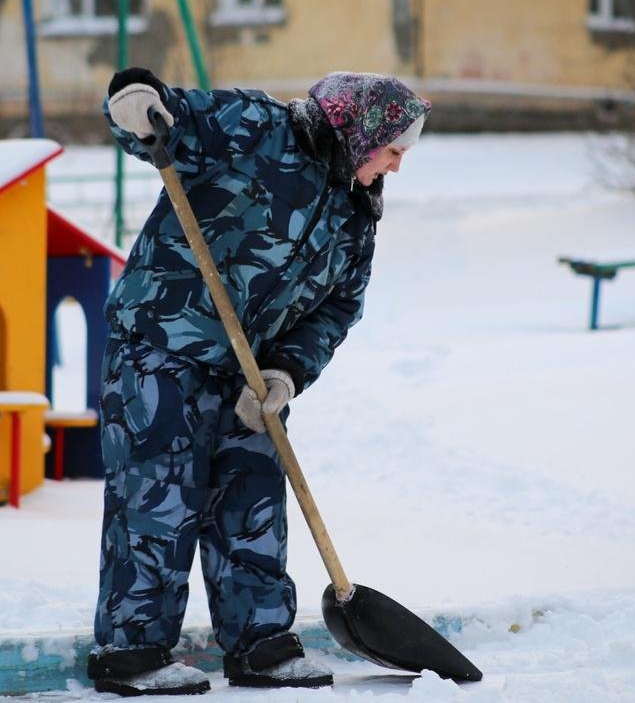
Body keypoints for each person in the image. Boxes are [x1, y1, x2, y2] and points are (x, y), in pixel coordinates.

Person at [87, 67, 430, 696]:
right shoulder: (259, 129)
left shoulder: (355, 216)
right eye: (393, 151)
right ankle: (131, 653)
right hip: (161, 349)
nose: (396, 168)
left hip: (248, 376)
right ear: (363, 134)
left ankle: (261, 646)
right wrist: (137, 104)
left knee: (254, 505)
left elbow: (336, 308)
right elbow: (170, 124)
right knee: (156, 502)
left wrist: (286, 371)